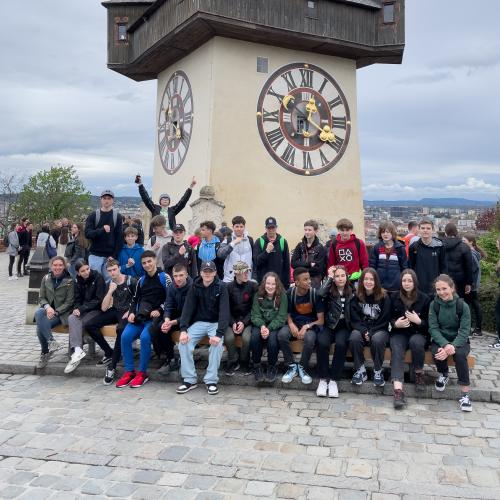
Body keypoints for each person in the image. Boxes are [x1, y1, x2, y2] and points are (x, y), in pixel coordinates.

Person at [116, 250, 171, 388]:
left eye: (149, 261)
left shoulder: (165, 277)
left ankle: (142, 373)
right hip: (140, 316)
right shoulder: (141, 280)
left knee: (145, 338)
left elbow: (171, 299)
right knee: (125, 336)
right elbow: (135, 299)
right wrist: (132, 312)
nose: (147, 265)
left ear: (155, 261)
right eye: (144, 263)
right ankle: (129, 371)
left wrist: (159, 310)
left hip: (155, 318)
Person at [176, 260, 229, 396]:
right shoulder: (195, 286)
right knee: (184, 343)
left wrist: (219, 334)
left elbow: (224, 312)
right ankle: (189, 379)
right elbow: (188, 308)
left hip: (215, 323)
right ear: (200, 273)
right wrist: (183, 330)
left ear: (215, 273)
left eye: (210, 271)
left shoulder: (221, 287)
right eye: (205, 271)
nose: (207, 274)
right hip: (199, 322)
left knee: (217, 345)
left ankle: (211, 380)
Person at [84, 259, 137, 386]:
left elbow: (138, 298)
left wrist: (130, 311)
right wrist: (110, 292)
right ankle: (109, 352)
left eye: (114, 269)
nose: (112, 273)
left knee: (120, 329)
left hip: (128, 311)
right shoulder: (110, 283)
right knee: (90, 325)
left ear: (119, 268)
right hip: (115, 310)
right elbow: (103, 308)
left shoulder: (131, 281)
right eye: (110, 271)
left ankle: (112, 366)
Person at [429, 274, 472, 412]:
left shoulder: (462, 306)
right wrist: (445, 345)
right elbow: (433, 328)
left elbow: (465, 331)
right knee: (436, 351)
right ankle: (444, 374)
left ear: (452, 288)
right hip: (441, 339)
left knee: (459, 355)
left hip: (459, 341)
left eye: (444, 288)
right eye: (438, 289)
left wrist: (453, 345)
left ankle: (465, 394)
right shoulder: (434, 305)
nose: (441, 292)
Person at [389, 269, 430, 408]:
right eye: (404, 280)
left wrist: (419, 321)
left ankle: (418, 373)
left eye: (410, 280)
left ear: (415, 282)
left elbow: (429, 325)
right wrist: (395, 324)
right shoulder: (393, 297)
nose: (407, 283)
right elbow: (387, 318)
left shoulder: (424, 298)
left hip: (417, 332)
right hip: (399, 333)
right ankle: (398, 390)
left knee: (416, 342)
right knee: (396, 347)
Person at [279, 267, 325, 385]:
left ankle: (302, 367)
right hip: (294, 323)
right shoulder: (290, 293)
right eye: (305, 279)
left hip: (311, 325)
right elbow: (286, 313)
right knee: (282, 335)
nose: (309, 281)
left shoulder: (315, 294)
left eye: (309, 278)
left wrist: (307, 326)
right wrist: (290, 324)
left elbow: (321, 320)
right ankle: (291, 366)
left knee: (310, 339)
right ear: (297, 282)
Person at [316, 265, 354, 398]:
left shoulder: (352, 290)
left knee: (341, 344)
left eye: (342, 275)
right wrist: (329, 277)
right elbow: (320, 293)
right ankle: (323, 378)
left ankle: (333, 380)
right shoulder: (329, 290)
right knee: (322, 342)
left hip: (344, 326)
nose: (340, 278)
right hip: (330, 324)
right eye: (337, 276)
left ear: (347, 276)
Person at [349, 267, 391, 387]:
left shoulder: (384, 297)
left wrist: (371, 332)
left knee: (377, 339)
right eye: (366, 279)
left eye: (371, 279)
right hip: (361, 328)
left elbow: (385, 319)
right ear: (361, 281)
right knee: (354, 337)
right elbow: (355, 319)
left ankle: (377, 371)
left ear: (376, 281)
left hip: (379, 329)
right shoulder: (356, 297)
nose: (368, 282)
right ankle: (361, 370)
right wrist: (364, 331)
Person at [64, 260, 106, 374]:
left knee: (85, 321)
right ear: (78, 273)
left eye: (87, 269)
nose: (86, 272)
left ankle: (79, 347)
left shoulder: (98, 277)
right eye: (83, 271)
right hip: (84, 309)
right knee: (72, 318)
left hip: (97, 310)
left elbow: (99, 299)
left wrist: (81, 309)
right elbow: (77, 299)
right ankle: (78, 350)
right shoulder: (77, 280)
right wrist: (77, 309)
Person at [34, 256, 74, 369]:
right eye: (55, 265)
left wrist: (56, 311)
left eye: (60, 265)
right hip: (47, 312)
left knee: (39, 327)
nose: (57, 267)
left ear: (64, 266)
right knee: (39, 313)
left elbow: (69, 302)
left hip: (61, 314)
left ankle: (45, 353)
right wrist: (47, 308)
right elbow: (41, 297)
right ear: (51, 266)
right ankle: (51, 342)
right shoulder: (46, 278)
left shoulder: (70, 281)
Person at [153, 263, 193, 375]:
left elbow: (190, 313)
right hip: (176, 317)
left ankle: (185, 362)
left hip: (191, 319)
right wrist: (166, 320)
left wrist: (173, 322)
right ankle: (170, 359)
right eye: (175, 276)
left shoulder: (193, 287)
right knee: (160, 328)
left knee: (185, 333)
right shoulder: (172, 287)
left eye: (181, 275)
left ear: (186, 275)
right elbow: (168, 306)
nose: (178, 279)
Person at [250, 272, 288, 383]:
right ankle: (256, 365)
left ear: (277, 285)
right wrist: (262, 326)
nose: (270, 286)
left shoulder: (282, 296)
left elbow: (281, 317)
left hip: (274, 325)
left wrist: (269, 328)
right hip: (261, 324)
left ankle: (272, 365)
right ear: (264, 283)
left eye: (273, 284)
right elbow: (255, 314)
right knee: (255, 336)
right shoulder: (258, 295)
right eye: (268, 283)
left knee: (272, 340)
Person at [224, 261, 258, 376]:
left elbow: (254, 309)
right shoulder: (228, 287)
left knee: (247, 339)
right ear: (236, 273)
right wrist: (233, 322)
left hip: (247, 321)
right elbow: (226, 309)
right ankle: (232, 360)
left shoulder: (252, 286)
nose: (246, 274)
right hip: (231, 320)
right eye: (243, 272)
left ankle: (245, 360)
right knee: (228, 338)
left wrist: (244, 322)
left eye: (247, 271)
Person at [85, 190, 123, 282]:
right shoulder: (93, 215)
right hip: (95, 255)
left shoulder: (117, 217)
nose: (106, 201)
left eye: (109, 198)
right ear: (101, 200)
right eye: (104, 198)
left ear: (112, 200)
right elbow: (87, 234)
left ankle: (109, 297)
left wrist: (114, 255)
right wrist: (101, 230)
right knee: (95, 281)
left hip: (109, 256)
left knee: (110, 282)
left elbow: (119, 238)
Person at [408, 218, 446, 296]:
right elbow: (411, 267)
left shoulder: (439, 246)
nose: (425, 230)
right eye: (423, 228)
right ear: (419, 229)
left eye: (428, 228)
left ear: (432, 230)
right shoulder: (414, 247)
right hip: (419, 287)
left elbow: (443, 267)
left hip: (435, 287)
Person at [326, 218, 369, 284]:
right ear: (338, 230)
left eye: (347, 230)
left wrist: (365, 277)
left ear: (351, 230)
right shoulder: (334, 244)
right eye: (342, 230)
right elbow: (331, 263)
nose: (345, 233)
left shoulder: (358, 243)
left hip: (356, 279)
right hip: (340, 279)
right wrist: (331, 277)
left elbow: (365, 262)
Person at [369, 221, 408, 292]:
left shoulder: (400, 248)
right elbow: (372, 268)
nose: (385, 234)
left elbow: (404, 268)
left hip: (396, 286)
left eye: (388, 232)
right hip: (380, 286)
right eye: (383, 232)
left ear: (392, 233)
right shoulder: (376, 248)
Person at [254, 217, 291, 289]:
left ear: (276, 227)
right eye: (269, 228)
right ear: (265, 228)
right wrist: (267, 251)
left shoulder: (282, 241)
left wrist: (286, 284)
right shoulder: (259, 241)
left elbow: (286, 265)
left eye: (273, 227)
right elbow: (256, 262)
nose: (271, 230)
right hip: (264, 283)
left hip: (279, 283)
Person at [217, 216, 255, 283]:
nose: (239, 229)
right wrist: (233, 243)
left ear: (244, 227)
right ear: (233, 227)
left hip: (246, 279)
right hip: (230, 280)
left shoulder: (250, 240)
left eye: (241, 226)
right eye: (237, 226)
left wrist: (254, 278)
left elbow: (254, 260)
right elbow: (220, 254)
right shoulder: (228, 240)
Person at [291, 219, 326, 289]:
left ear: (315, 231)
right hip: (300, 282)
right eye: (305, 230)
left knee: (313, 299)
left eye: (309, 230)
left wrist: (300, 269)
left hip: (314, 282)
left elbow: (318, 269)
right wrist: (309, 264)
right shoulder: (300, 246)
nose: (307, 232)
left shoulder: (320, 248)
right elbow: (293, 263)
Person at [462, 233, 485, 337]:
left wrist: (469, 283)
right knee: (475, 305)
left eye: (464, 241)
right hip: (474, 283)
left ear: (471, 242)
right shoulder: (474, 252)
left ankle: (475, 328)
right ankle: (477, 328)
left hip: (471, 284)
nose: (462, 243)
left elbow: (473, 269)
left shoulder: (470, 254)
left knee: (470, 306)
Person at [442, 222, 473, 299]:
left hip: (444, 278)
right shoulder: (465, 247)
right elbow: (469, 267)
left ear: (445, 233)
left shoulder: (439, 245)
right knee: (459, 302)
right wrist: (469, 283)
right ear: (456, 232)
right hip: (460, 280)